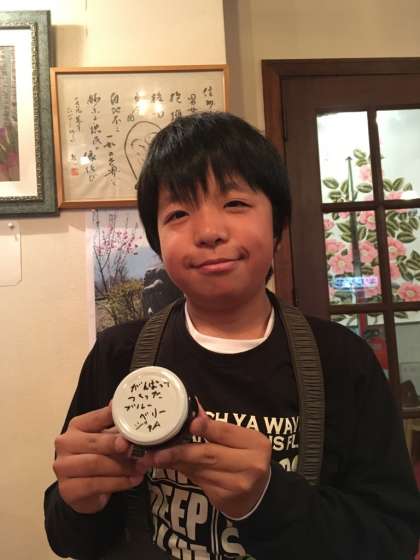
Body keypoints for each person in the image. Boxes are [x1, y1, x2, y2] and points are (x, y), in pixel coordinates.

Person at [44, 112, 420, 559]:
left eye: (236, 203)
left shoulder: (342, 359)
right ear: (158, 240)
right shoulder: (118, 353)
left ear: (277, 225)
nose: (209, 232)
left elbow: (393, 537)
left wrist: (267, 499)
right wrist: (77, 502)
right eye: (178, 213)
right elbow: (68, 537)